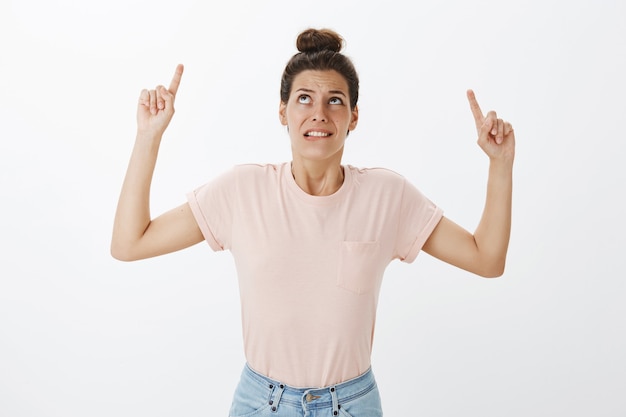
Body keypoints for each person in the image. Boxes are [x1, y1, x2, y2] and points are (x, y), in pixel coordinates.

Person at [111, 28, 514, 417]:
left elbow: (486, 259)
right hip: (261, 403)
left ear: (354, 117)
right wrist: (148, 137)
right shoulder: (242, 190)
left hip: (352, 404)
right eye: (304, 98)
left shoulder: (387, 195)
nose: (319, 113)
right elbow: (130, 244)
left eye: (335, 100)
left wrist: (500, 165)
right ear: (283, 111)